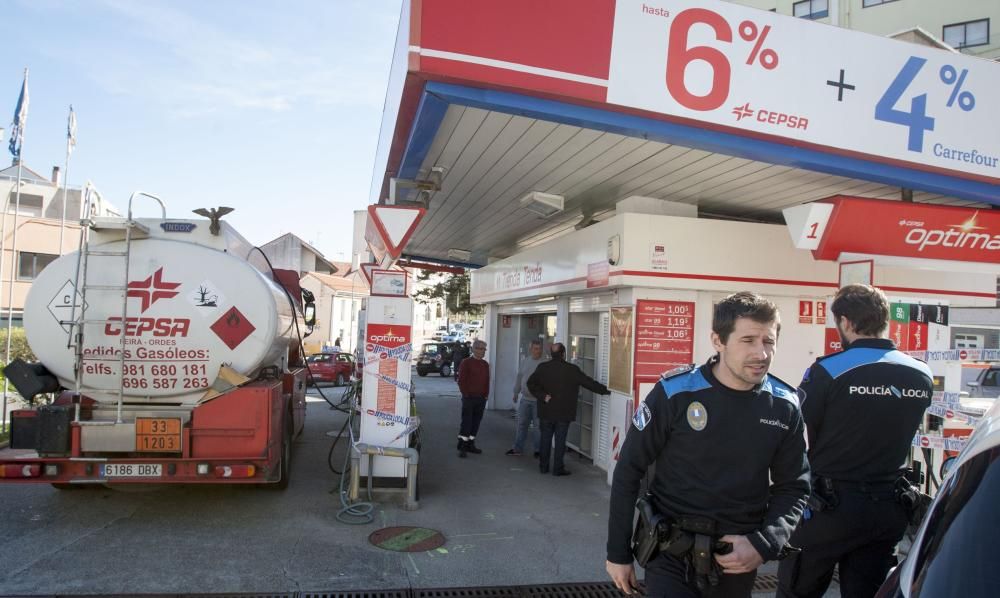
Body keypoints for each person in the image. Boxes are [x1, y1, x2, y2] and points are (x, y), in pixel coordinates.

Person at [606, 292, 809, 598]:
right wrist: (617, 553)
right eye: (748, 340)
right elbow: (628, 470)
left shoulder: (784, 406)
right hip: (670, 554)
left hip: (737, 560)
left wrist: (764, 543)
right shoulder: (675, 393)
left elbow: (794, 486)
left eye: (768, 341)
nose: (761, 353)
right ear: (718, 340)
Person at [777, 284, 933, 598]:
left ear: (846, 322)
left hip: (829, 509)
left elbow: (793, 425)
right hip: (888, 509)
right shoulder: (921, 373)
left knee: (795, 591)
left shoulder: (828, 370)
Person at [527, 342, 610, 476]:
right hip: (564, 413)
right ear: (564, 354)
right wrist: (606, 390)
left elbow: (530, 384)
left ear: (551, 354)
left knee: (545, 439)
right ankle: (558, 468)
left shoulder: (542, 367)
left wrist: (542, 396)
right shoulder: (572, 369)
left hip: (546, 410)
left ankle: (543, 467)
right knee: (560, 441)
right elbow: (588, 383)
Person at [506, 338, 545, 457]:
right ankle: (517, 449)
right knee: (521, 424)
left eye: (539, 349)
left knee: (538, 427)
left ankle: (538, 450)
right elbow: (519, 377)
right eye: (535, 349)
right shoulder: (525, 361)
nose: (537, 351)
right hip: (525, 399)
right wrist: (516, 392)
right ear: (530, 349)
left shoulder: (544, 364)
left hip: (538, 401)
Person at [456, 339, 490, 458]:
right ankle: (463, 446)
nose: (483, 351)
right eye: (481, 349)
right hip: (469, 398)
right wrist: (466, 394)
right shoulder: (466, 362)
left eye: (484, 349)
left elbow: (487, 381)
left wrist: (486, 395)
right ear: (474, 349)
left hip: (481, 398)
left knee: (476, 422)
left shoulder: (485, 364)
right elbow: (461, 380)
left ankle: (470, 443)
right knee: (467, 422)